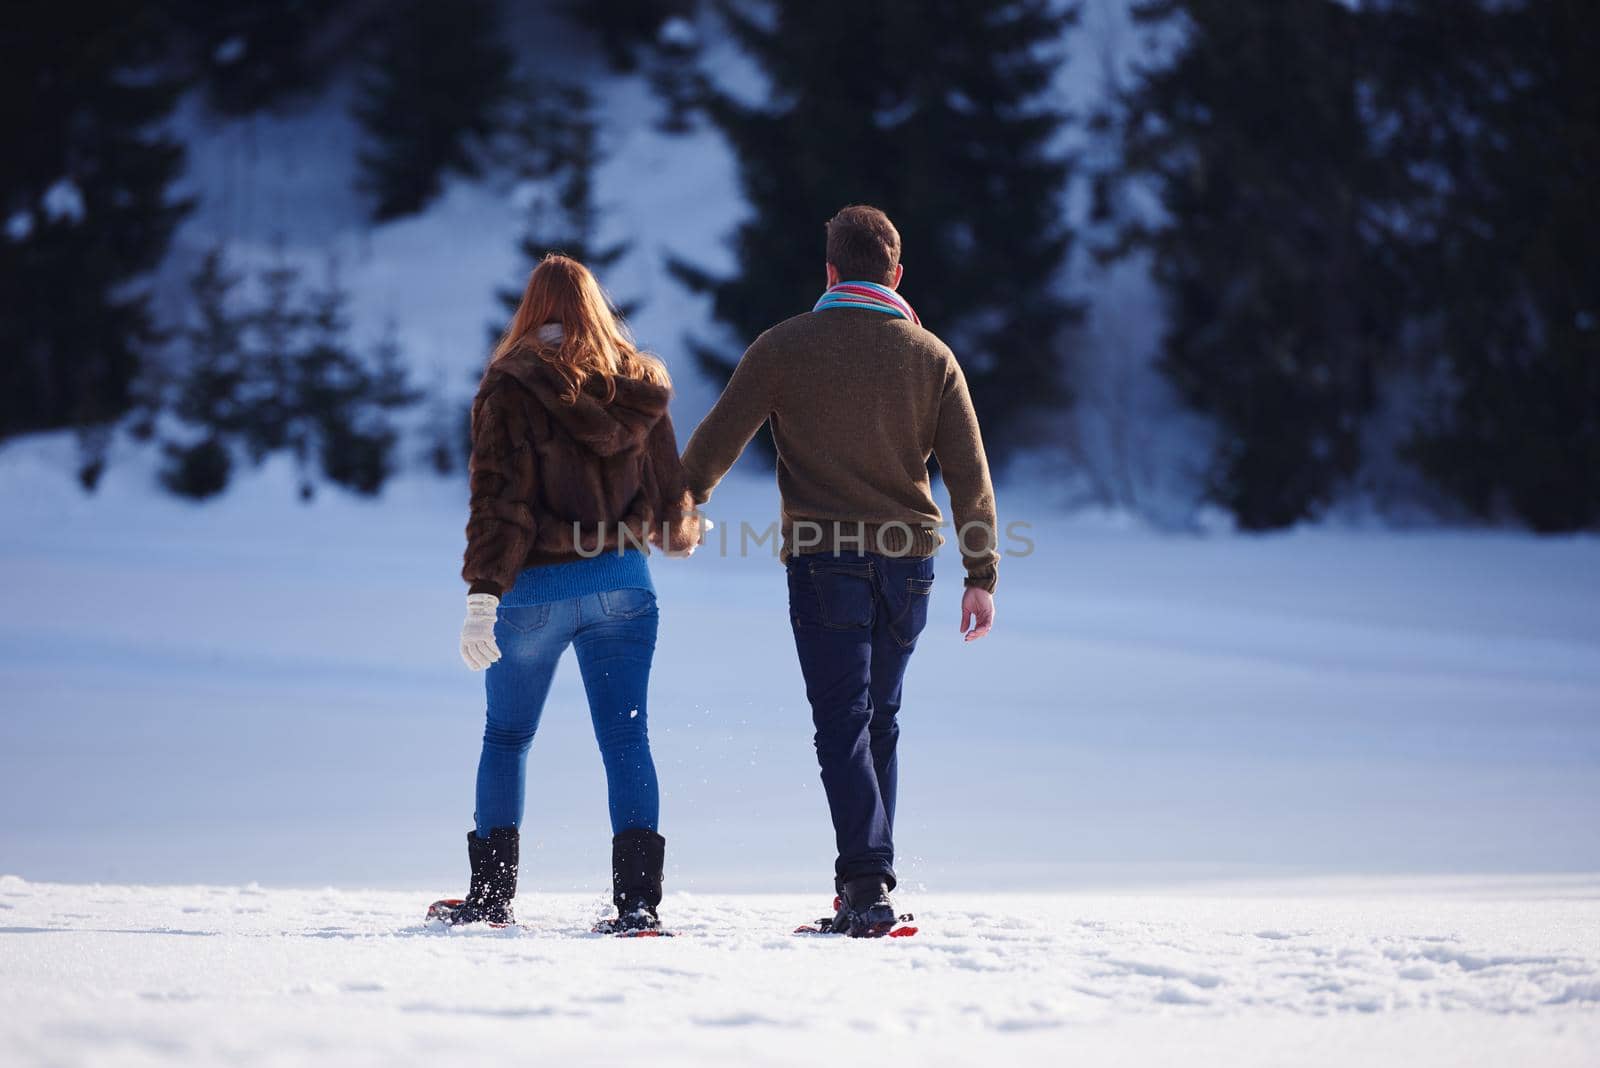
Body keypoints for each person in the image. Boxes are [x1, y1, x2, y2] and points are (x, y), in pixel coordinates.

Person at [681, 204, 999, 937]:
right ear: (896, 273)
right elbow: (969, 476)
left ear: (829, 272)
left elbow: (715, 442)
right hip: (910, 565)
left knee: (843, 724)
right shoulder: (932, 356)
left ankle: (864, 886)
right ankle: (869, 878)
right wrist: (980, 571)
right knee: (876, 719)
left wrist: (683, 504)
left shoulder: (784, 347)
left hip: (827, 562)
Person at [443, 254, 700, 932]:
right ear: (596, 306)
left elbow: (500, 502)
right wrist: (679, 527)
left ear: (532, 309)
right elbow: (675, 508)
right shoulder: (639, 386)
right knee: (626, 740)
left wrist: (481, 598)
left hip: (536, 592)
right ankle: (639, 907)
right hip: (623, 587)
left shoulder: (510, 386)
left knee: (506, 737)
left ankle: (490, 900)